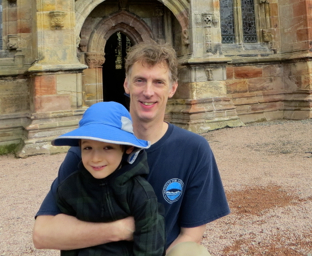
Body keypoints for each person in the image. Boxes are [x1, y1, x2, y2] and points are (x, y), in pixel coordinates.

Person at [34, 42, 230, 256]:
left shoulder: (194, 149)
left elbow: (190, 237)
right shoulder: (89, 152)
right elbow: (43, 233)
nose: (148, 92)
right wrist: (117, 230)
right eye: (140, 81)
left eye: (158, 82)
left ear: (172, 89)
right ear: (126, 85)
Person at [51, 101, 165, 256]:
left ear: (128, 148)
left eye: (107, 147)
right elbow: (67, 242)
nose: (96, 158)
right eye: (88, 148)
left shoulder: (140, 194)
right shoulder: (69, 189)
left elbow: (149, 249)